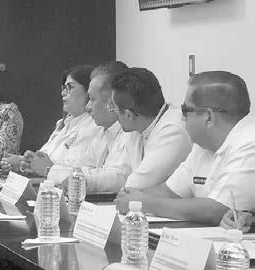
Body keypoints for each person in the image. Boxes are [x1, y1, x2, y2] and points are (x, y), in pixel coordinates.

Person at [116, 71, 255, 225]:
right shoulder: (203, 145)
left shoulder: (249, 144)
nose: (182, 118)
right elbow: (170, 191)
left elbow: (217, 209)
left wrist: (142, 203)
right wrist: (131, 195)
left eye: (185, 110)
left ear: (208, 117)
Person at [55, 61, 143, 193]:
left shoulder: (132, 131)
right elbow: (82, 166)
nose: (87, 107)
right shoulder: (104, 131)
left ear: (112, 101)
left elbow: (121, 178)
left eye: (92, 99)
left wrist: (81, 179)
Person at [109, 67, 192, 191]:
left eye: (114, 109)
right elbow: (121, 174)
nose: (113, 114)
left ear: (129, 115)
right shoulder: (137, 128)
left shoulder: (173, 131)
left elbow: (137, 186)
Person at [12, 65, 100, 177]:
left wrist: (47, 168)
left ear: (89, 90)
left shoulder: (94, 125)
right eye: (64, 88)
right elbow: (43, 156)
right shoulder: (65, 123)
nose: (63, 93)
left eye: (70, 87)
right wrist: (26, 161)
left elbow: (76, 169)